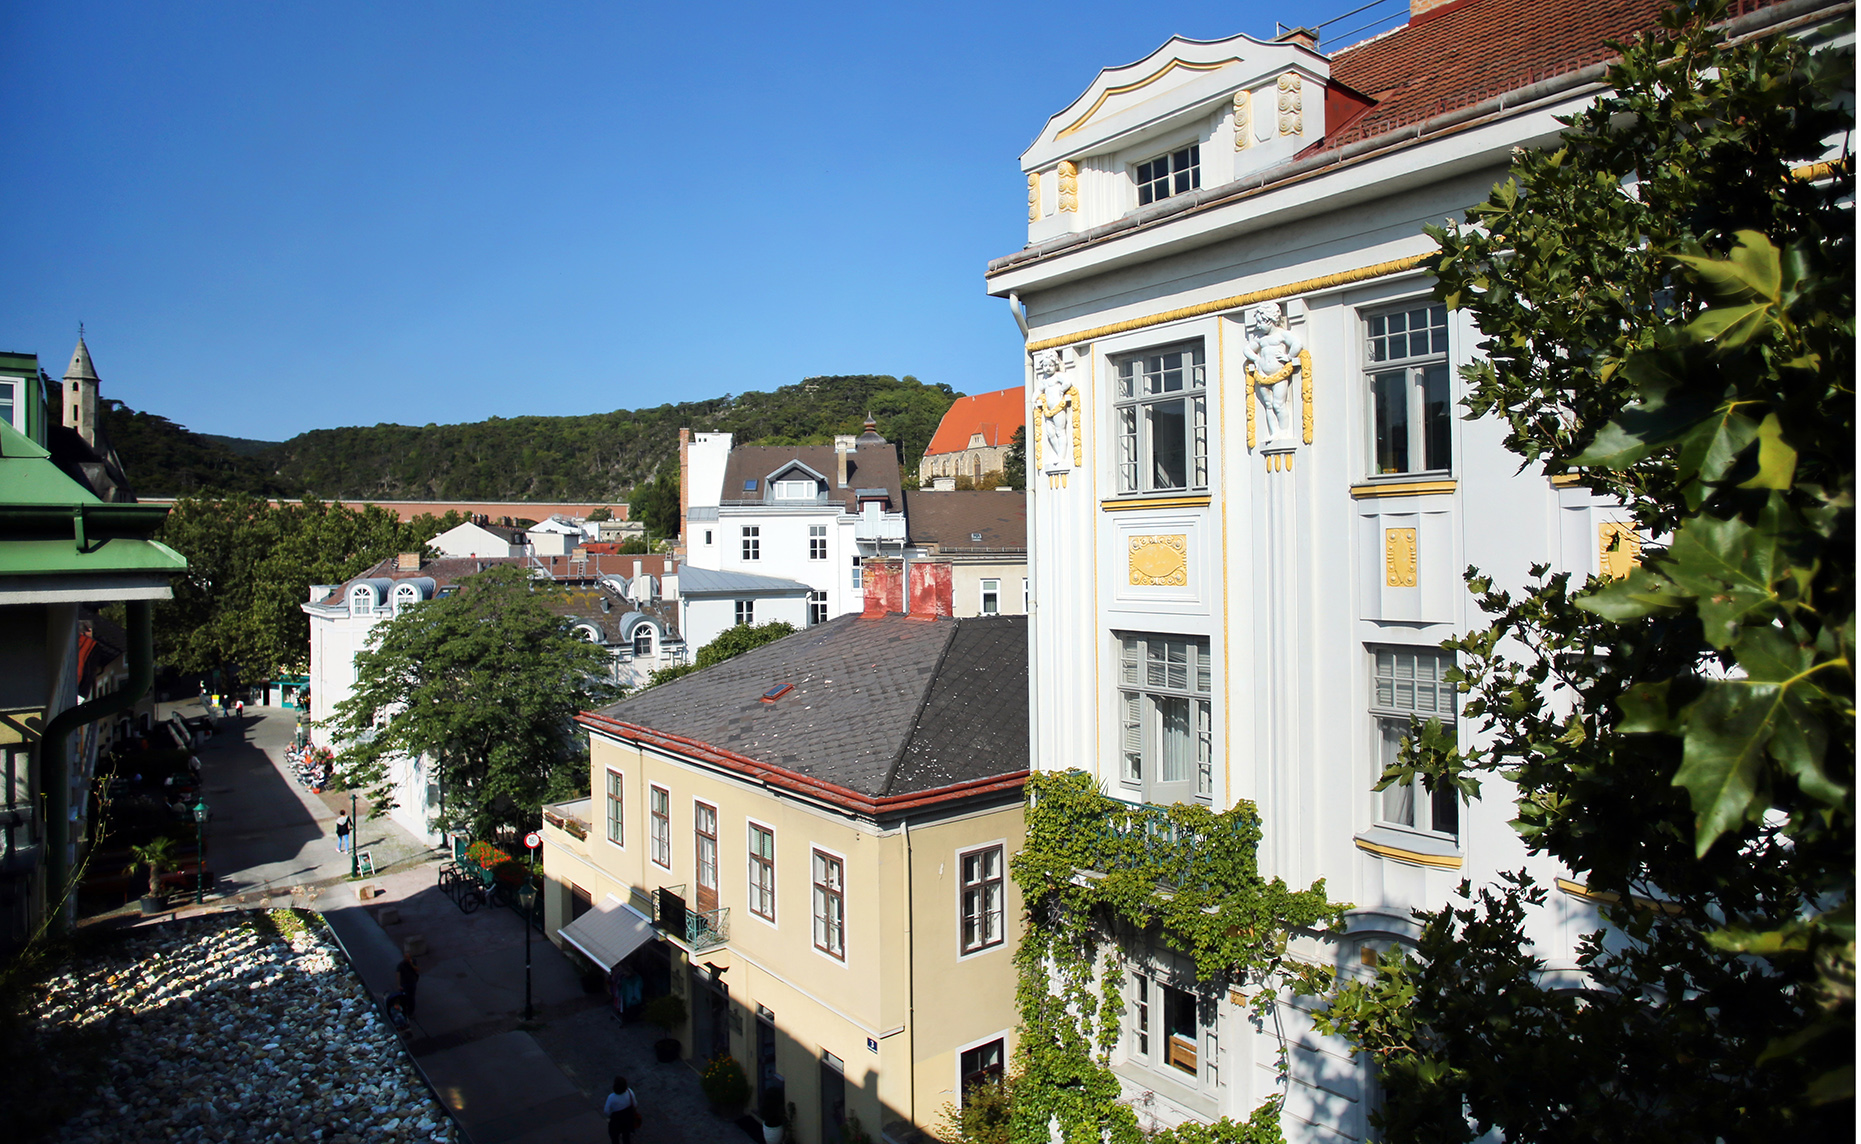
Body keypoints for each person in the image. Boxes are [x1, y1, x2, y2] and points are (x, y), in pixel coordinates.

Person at [604, 1076, 640, 1144]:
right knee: (626, 1137)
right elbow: (635, 1104)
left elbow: (606, 1111)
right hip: (627, 1119)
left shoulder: (611, 1097)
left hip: (616, 1121)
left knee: (614, 1138)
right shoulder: (630, 1092)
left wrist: (611, 1116)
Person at [394, 954, 420, 1020]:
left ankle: (410, 1012)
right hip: (405, 984)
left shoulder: (413, 961)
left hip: (412, 983)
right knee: (405, 998)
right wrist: (399, 985)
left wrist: (411, 964)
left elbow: (416, 969)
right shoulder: (401, 965)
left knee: (411, 998)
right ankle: (405, 1011)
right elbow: (398, 974)